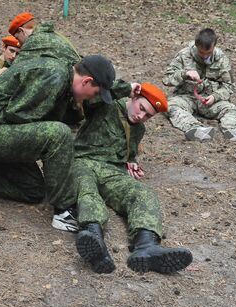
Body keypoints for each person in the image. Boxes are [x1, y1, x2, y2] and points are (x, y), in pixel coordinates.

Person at [0, 55, 117, 233]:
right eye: (96, 93)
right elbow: (18, 116)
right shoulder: (54, 75)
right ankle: (63, 212)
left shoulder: (63, 77)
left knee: (33, 190)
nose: (91, 98)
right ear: (87, 81)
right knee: (59, 134)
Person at [73, 83, 193, 274]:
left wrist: (131, 160)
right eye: (142, 108)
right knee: (86, 189)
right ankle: (94, 238)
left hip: (112, 171)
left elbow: (129, 151)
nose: (141, 116)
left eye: (148, 116)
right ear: (134, 97)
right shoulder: (107, 105)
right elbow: (93, 95)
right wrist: (124, 87)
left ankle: (147, 246)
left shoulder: (138, 129)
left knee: (142, 193)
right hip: (82, 161)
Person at [163, 28, 236, 143]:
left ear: (214, 46)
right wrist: (184, 74)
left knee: (230, 109)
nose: (205, 56)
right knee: (170, 105)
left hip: (210, 101)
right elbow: (167, 78)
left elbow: (229, 86)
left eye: (209, 53)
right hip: (187, 97)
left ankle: (235, 131)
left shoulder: (221, 59)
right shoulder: (184, 55)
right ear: (196, 45)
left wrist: (215, 97)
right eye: (201, 52)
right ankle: (195, 128)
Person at [8, 12, 81, 67]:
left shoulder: (34, 40)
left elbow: (15, 68)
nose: (19, 44)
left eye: (17, 38)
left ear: (22, 31)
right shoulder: (50, 34)